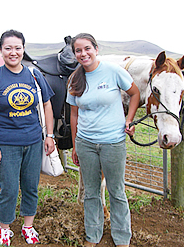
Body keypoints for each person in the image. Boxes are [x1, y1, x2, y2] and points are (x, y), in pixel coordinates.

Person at [0, 29, 55, 246]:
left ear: (23, 49)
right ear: (1, 50)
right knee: (9, 188)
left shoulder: (34, 75)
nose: (13, 52)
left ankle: (28, 226)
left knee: (31, 186)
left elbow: (47, 104)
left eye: (18, 48)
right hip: (6, 143)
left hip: (33, 141)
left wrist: (49, 135)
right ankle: (5, 228)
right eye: (8, 48)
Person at [66, 33, 140, 247]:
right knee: (91, 192)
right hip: (86, 143)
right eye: (78, 50)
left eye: (87, 48)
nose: (83, 53)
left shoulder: (113, 71)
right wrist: (75, 145)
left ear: (96, 49)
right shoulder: (75, 79)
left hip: (113, 142)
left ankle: (122, 237)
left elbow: (134, 94)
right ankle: (93, 235)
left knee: (116, 191)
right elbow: (74, 115)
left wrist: (129, 119)